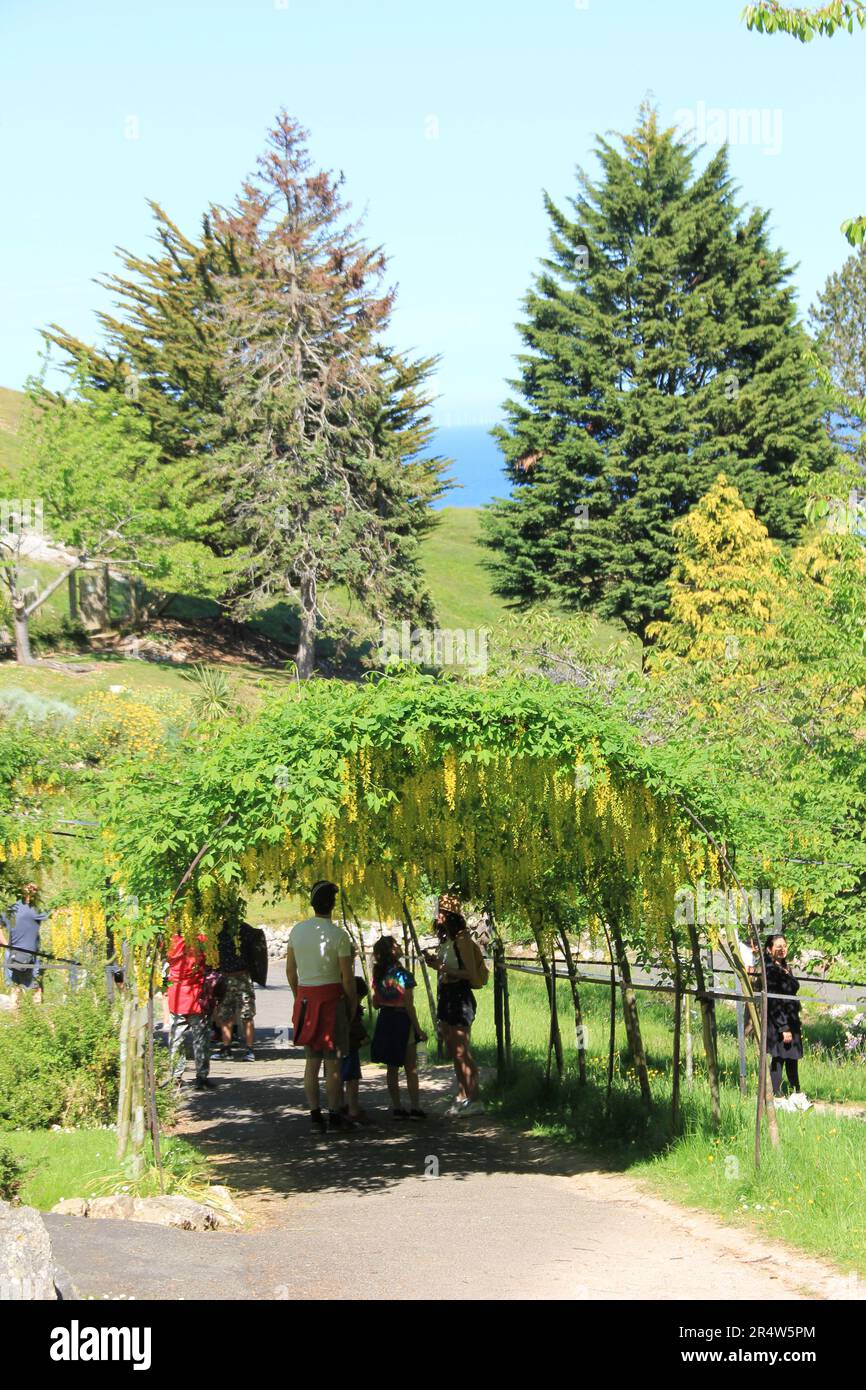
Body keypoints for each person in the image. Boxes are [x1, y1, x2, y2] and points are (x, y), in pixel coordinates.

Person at [286, 881, 357, 1134]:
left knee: (312, 1061)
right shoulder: (338, 936)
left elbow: (290, 971)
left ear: (312, 903)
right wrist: (351, 1004)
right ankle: (334, 1115)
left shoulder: (297, 931)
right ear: (333, 904)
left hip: (306, 1000)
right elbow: (347, 978)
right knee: (333, 1063)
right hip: (332, 1000)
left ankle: (315, 1117)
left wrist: (299, 997)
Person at [424, 898, 484, 1117]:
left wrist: (443, 968)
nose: (437, 916)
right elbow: (447, 967)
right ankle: (462, 1095)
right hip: (447, 995)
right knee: (452, 1049)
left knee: (461, 1051)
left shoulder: (463, 941)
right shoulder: (446, 940)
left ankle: (475, 1099)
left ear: (451, 916)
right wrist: (435, 964)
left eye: (441, 912)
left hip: (459, 997)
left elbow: (470, 973)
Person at [370, 936, 426, 1120]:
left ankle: (397, 1107)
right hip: (402, 1019)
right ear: (391, 951)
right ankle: (415, 1107)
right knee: (411, 1067)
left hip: (385, 1019)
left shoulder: (379, 974)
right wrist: (418, 1029)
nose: (400, 946)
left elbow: (375, 1004)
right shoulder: (404, 975)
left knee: (392, 1067)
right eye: (396, 944)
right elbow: (409, 1005)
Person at [763, 933, 811, 1112]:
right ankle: (776, 1096)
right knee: (779, 1057)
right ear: (769, 949)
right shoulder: (771, 970)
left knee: (792, 1057)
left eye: (784, 946)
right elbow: (774, 1001)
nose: (782, 949)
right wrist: (783, 1027)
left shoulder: (784, 967)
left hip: (791, 1019)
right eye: (778, 947)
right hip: (780, 1021)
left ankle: (796, 1093)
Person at [166, 930, 213, 1090]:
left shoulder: (170, 941)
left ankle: (176, 1076)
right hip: (195, 996)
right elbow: (210, 960)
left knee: (176, 1039)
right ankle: (202, 1076)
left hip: (177, 997)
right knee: (201, 1038)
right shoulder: (200, 939)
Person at [213, 916, 257, 1062]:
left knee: (245, 1014)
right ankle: (228, 1049)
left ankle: (248, 1050)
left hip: (240, 976)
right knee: (227, 1014)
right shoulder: (222, 930)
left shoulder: (243, 930)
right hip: (230, 977)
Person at [0, 883, 48, 1007]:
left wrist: (6, 944)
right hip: (29, 956)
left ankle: (16, 1016)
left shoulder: (10, 909)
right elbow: (55, 913)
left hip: (12, 955)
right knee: (36, 988)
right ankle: (37, 1015)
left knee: (15, 987)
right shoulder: (34, 910)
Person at [341, 967, 370, 1125]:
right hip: (350, 1048)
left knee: (337, 1078)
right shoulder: (352, 1009)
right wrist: (364, 1038)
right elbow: (355, 1027)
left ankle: (339, 1107)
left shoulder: (338, 1004)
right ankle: (353, 1110)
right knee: (352, 1079)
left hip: (336, 1047)